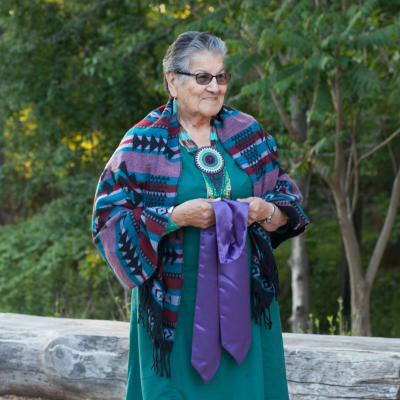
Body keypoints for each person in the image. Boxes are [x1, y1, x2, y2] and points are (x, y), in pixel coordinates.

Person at [92, 31, 309, 400]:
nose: (215, 87)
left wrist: (266, 210)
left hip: (246, 303)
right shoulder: (142, 142)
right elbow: (107, 223)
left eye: (221, 77)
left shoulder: (247, 132)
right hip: (174, 305)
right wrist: (175, 216)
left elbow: (288, 198)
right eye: (203, 77)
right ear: (172, 82)